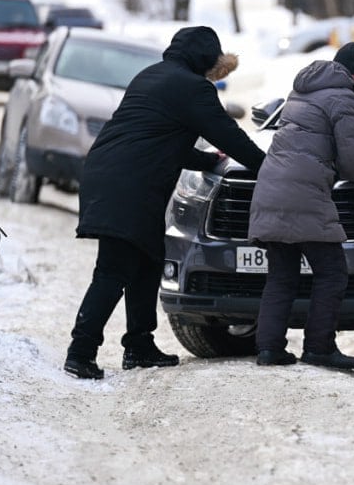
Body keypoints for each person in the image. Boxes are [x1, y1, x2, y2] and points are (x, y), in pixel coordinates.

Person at [64, 26, 266, 379]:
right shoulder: (194, 88)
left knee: (147, 260)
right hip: (129, 184)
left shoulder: (151, 75)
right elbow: (230, 135)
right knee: (114, 269)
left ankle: (139, 344)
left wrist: (206, 161)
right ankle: (80, 351)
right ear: (207, 58)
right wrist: (270, 167)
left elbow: (156, 137)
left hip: (110, 173)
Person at [248, 42, 354, 370]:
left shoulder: (303, 91)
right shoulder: (344, 97)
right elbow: (352, 157)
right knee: (333, 272)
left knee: (281, 275)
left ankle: (268, 349)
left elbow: (313, 143)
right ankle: (319, 347)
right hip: (303, 194)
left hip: (270, 189)